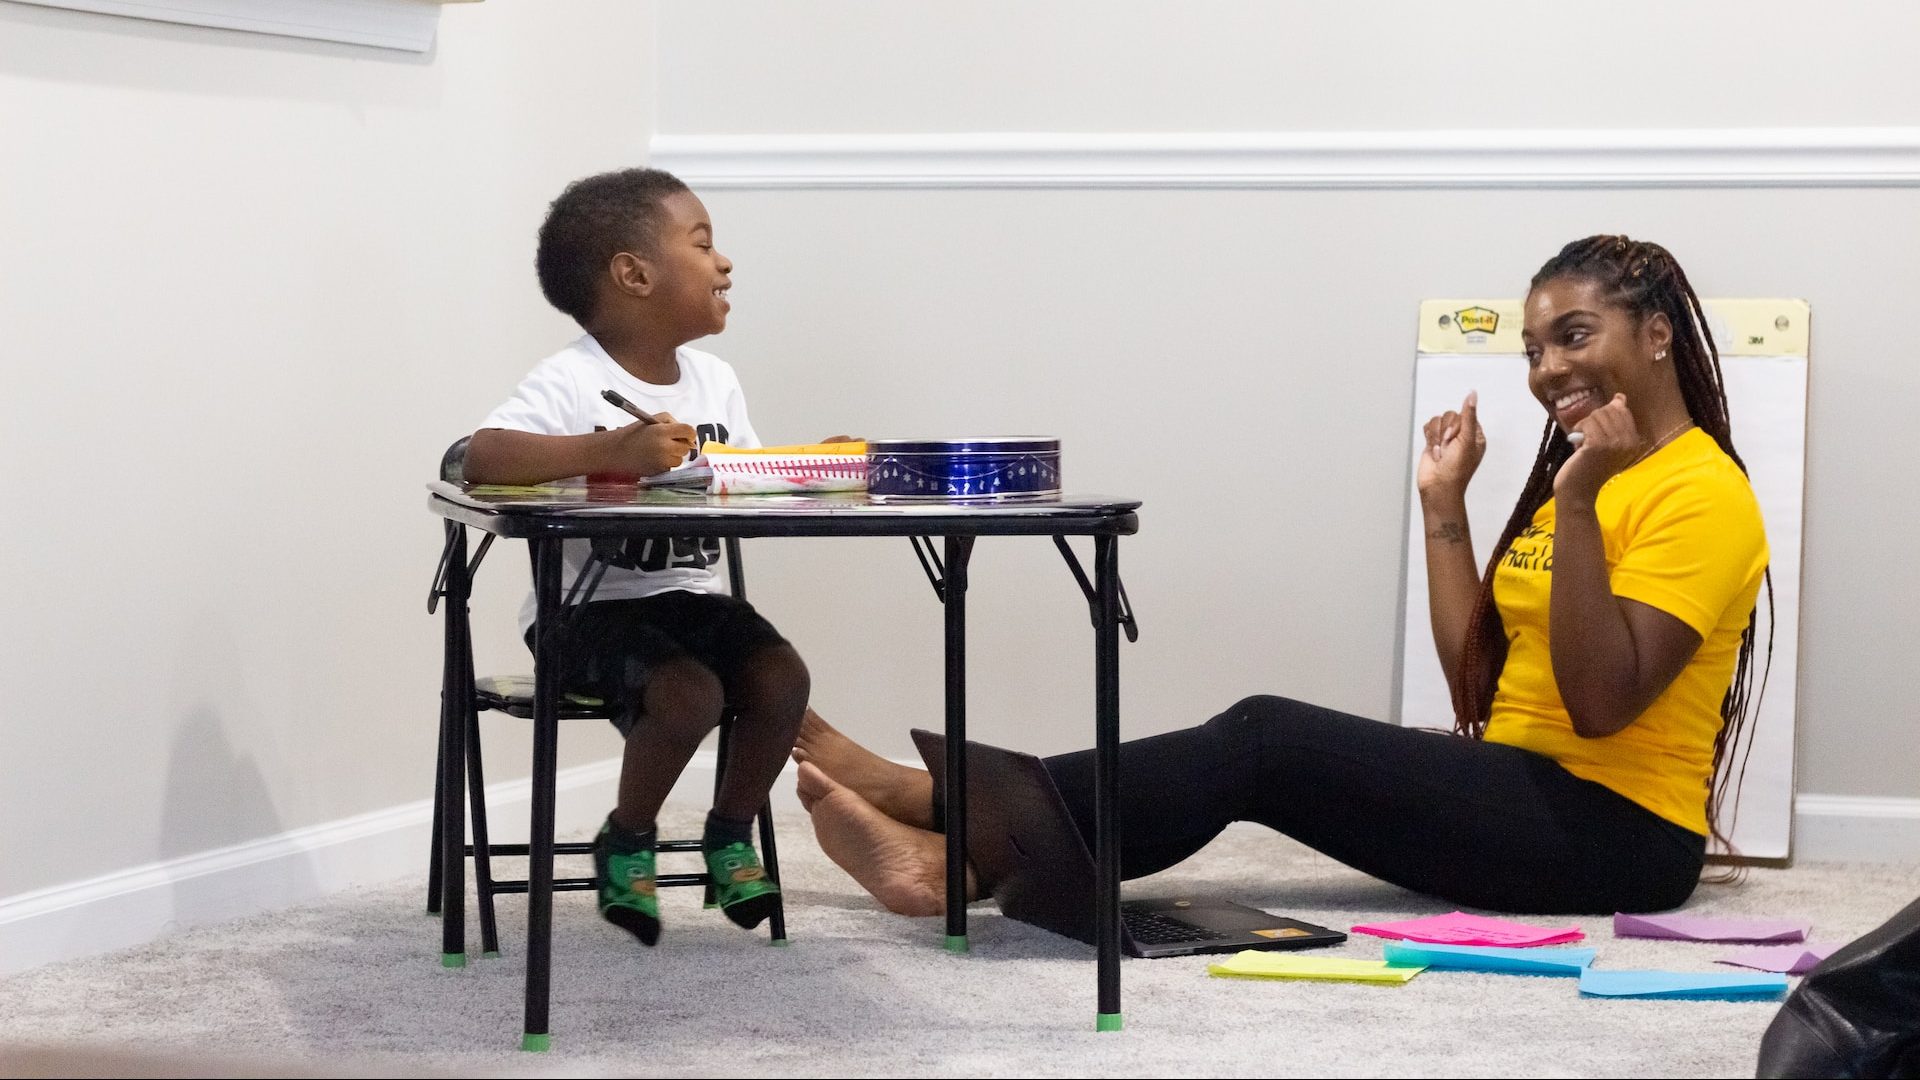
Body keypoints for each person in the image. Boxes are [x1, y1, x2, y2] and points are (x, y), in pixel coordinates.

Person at [794, 234, 1770, 917]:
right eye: (1532, 348)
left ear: (1656, 335)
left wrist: (1585, 501)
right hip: (1529, 791)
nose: (1547, 368)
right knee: (1261, 757)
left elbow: (1600, 709)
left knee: (1265, 737)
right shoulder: (1592, 481)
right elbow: (1479, 683)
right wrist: (1444, 507)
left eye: (1573, 335)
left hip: (1617, 837)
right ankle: (954, 840)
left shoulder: (1700, 493)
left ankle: (942, 820)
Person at [465, 167, 815, 945]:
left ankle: (729, 834)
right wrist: (613, 449)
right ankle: (628, 837)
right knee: (687, 695)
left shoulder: (715, 381)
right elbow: (482, 455)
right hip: (588, 614)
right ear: (634, 274)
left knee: (781, 677)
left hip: (693, 601)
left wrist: (803, 470)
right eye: (703, 243)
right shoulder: (571, 379)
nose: (724, 263)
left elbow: (746, 481)